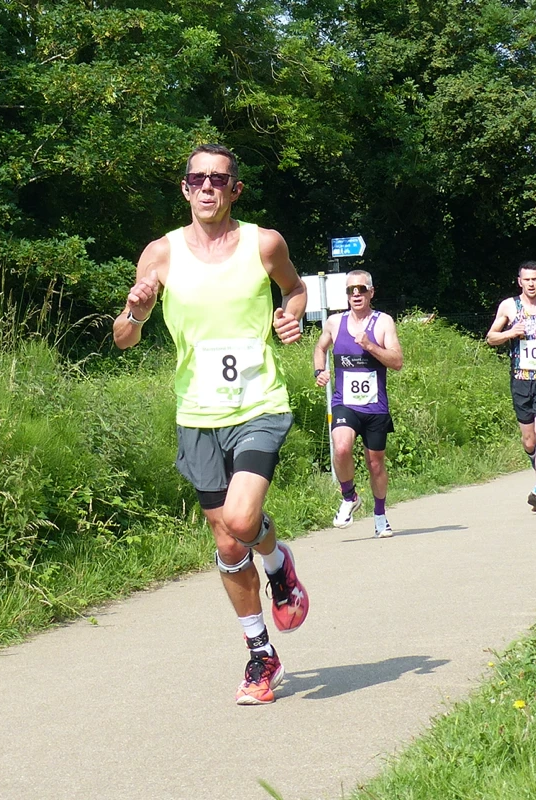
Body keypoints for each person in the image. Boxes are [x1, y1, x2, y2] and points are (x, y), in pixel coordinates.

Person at [113, 143, 309, 705]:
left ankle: (276, 561)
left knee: (242, 519)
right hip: (197, 415)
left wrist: (290, 317)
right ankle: (261, 652)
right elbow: (123, 338)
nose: (207, 187)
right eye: (197, 178)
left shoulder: (264, 243)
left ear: (235, 190)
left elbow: (295, 290)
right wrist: (137, 312)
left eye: (218, 180)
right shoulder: (161, 254)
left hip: (258, 405)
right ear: (184, 188)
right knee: (226, 541)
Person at [313, 270, 403, 536]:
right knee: (341, 448)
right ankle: (349, 496)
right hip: (345, 403)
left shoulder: (383, 322)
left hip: (375, 406)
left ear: (371, 292)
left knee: (375, 463)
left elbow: (397, 362)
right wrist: (319, 371)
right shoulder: (334, 322)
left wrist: (370, 346)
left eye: (361, 289)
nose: (356, 294)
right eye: (351, 290)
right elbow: (320, 348)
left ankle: (380, 515)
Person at [486, 260, 536, 509]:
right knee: (529, 441)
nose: (531, 284)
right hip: (520, 380)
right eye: (527, 279)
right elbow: (491, 337)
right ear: (520, 281)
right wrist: (511, 332)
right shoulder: (509, 306)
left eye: (535, 279)